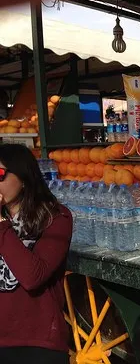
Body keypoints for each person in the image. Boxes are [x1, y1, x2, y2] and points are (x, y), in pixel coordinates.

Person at [0, 144, 72, 364]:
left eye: (0, 174)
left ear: (23, 178)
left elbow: (33, 276)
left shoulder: (55, 217)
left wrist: (1, 226)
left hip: (38, 342)